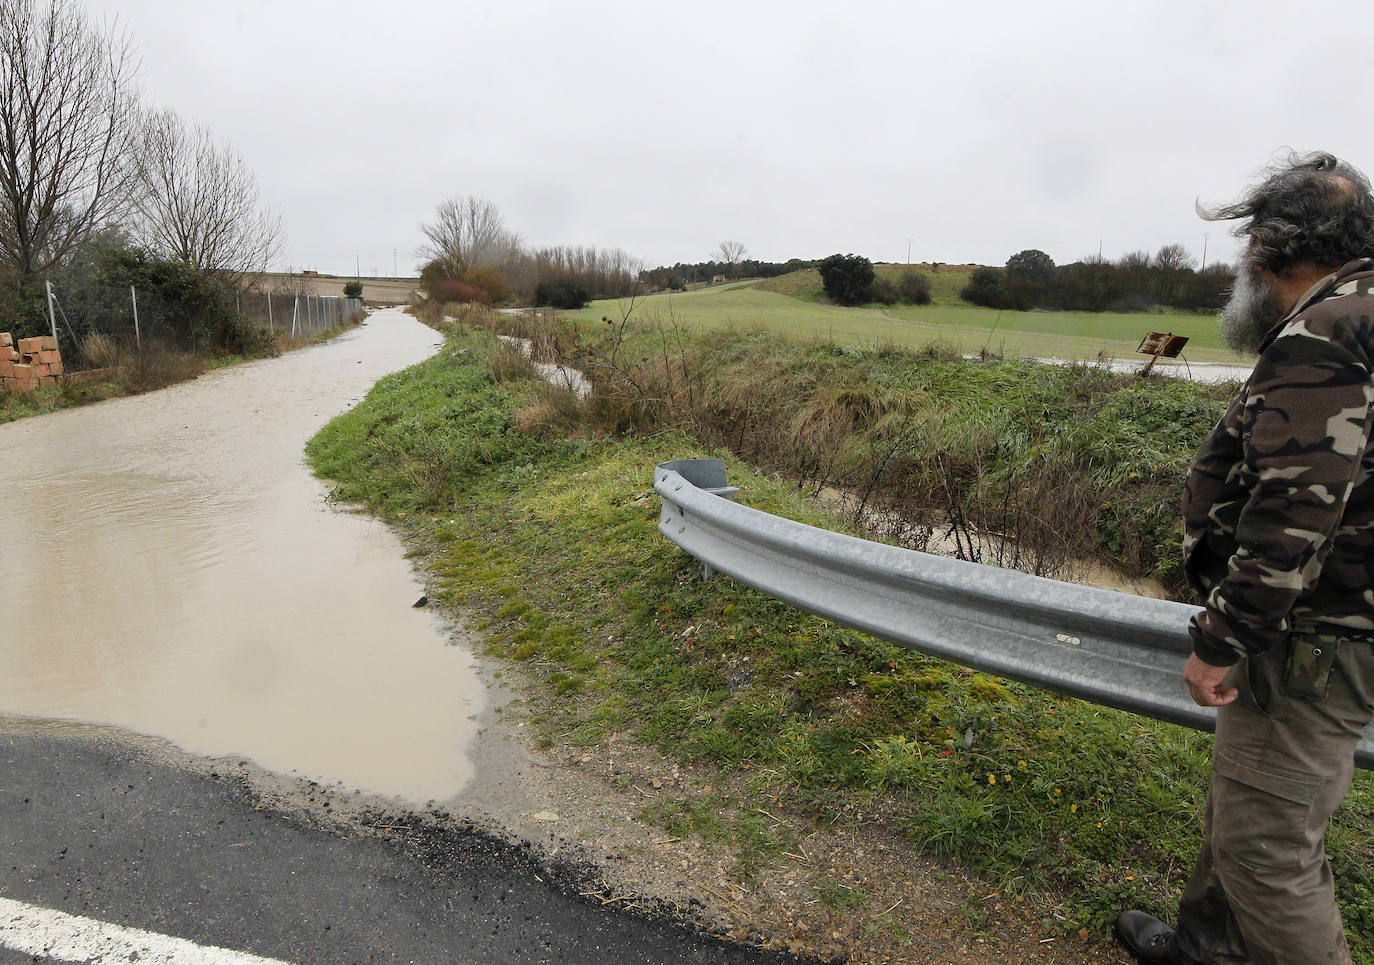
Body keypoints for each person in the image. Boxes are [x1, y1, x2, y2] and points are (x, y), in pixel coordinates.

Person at [1116, 152, 1374, 964]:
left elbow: (1293, 513)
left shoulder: (1325, 334)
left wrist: (1224, 637)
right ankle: (1205, 948)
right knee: (1253, 814)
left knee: (1267, 853)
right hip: (1336, 625)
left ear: (1268, 252)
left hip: (1311, 634)